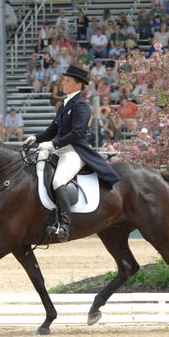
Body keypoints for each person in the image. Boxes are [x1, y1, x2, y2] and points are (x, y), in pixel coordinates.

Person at [24, 66, 121, 242]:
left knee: (58, 181)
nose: (64, 83)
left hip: (75, 151)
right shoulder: (64, 104)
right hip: (59, 149)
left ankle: (64, 226)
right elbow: (50, 131)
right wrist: (34, 138)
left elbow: (76, 133)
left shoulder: (82, 106)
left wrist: (53, 144)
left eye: (68, 81)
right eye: (64, 79)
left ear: (78, 85)